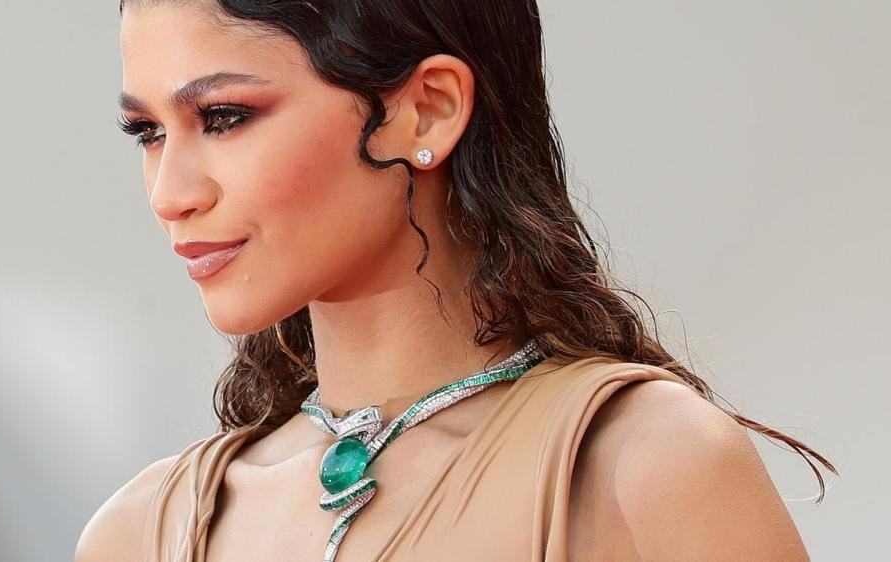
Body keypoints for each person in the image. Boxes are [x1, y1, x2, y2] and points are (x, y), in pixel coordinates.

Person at [77, 1, 837, 560]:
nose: (170, 194)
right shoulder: (139, 534)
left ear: (427, 110)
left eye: (223, 116)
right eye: (147, 132)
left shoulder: (645, 466)